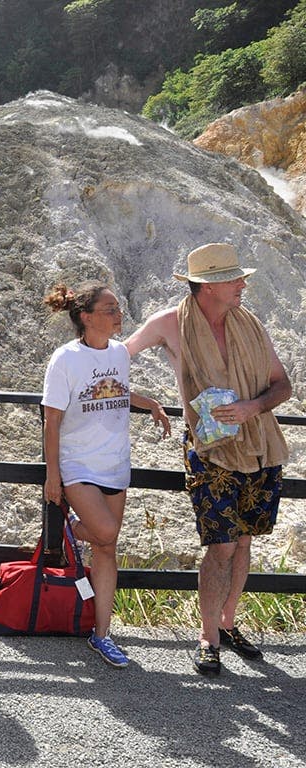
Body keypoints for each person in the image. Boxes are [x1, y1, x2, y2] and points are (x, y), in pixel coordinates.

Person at [124, 242, 290, 675]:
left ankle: (229, 623)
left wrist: (254, 407)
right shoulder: (169, 324)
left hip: (259, 448)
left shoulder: (250, 324)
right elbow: (113, 359)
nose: (243, 284)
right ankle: (208, 636)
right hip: (209, 452)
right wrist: (145, 401)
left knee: (244, 542)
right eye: (235, 279)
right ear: (209, 285)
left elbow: (282, 385)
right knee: (220, 547)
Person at [42, 282, 170, 668]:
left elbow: (113, 391)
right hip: (77, 463)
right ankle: (70, 529)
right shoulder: (64, 360)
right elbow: (52, 422)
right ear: (86, 316)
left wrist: (149, 403)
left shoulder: (118, 353)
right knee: (107, 532)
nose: (119, 314)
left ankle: (102, 635)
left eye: (118, 308)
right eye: (110, 309)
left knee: (106, 548)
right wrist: (53, 476)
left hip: (115, 461)